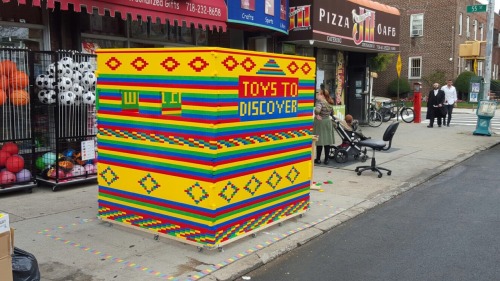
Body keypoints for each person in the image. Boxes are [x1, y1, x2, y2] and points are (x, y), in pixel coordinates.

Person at [314, 84, 335, 165]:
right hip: (327, 122)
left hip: (320, 123)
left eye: (319, 93)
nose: (317, 95)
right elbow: (332, 113)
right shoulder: (330, 102)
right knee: (327, 142)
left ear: (322, 95)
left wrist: (316, 114)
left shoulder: (320, 102)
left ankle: (318, 159)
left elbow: (317, 111)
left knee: (319, 141)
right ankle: (326, 159)